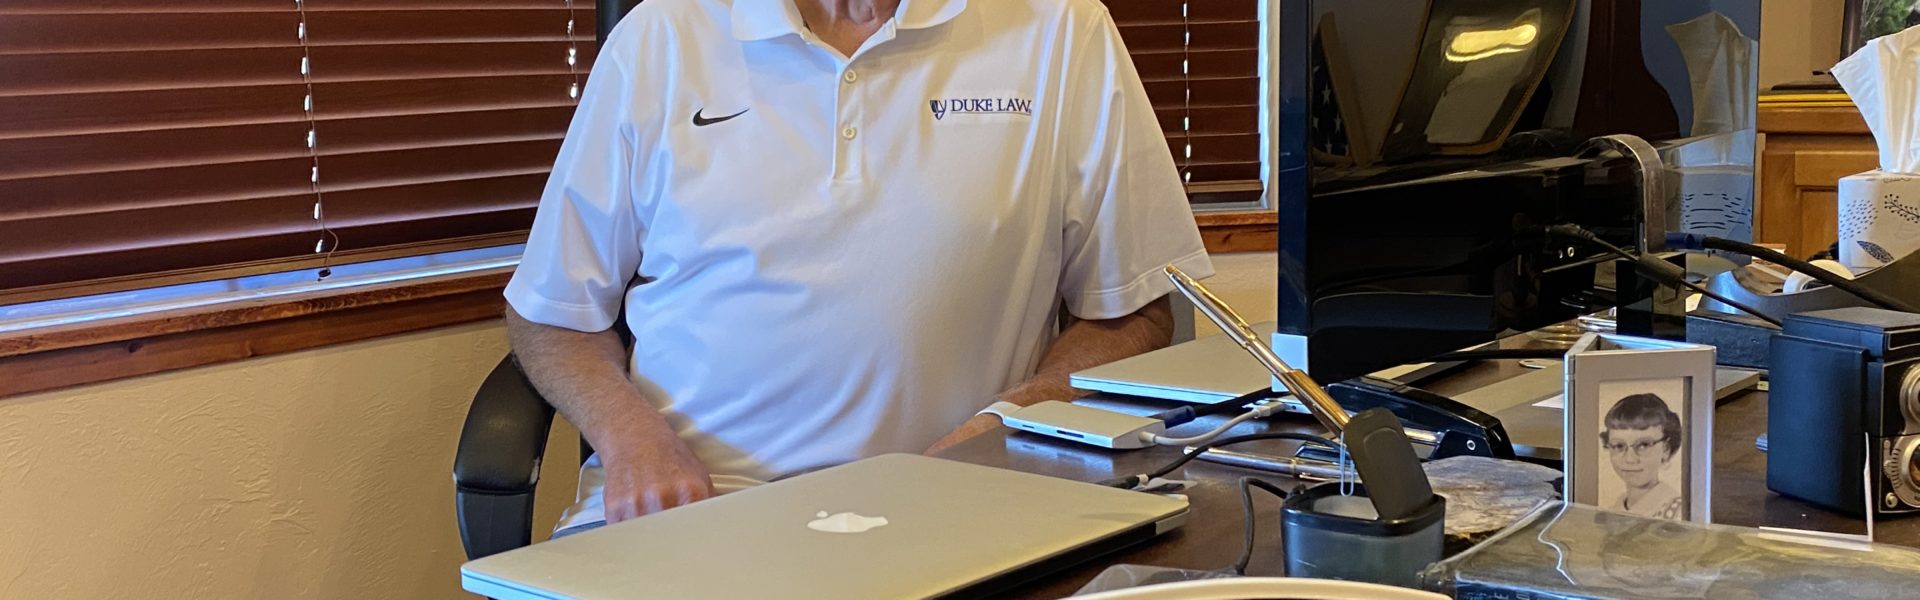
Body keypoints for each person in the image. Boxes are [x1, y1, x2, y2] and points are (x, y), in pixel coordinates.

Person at [503, 0, 1213, 536]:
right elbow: (550, 314)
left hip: (961, 500)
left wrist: (1004, 431)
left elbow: (1132, 307)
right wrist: (634, 441)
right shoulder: (660, 38)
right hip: (691, 505)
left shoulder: (1062, 29)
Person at [1600, 393, 1685, 520]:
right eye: (1619, 446)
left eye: (1643, 445)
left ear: (1666, 449)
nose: (1630, 459)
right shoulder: (1611, 511)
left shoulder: (1678, 513)